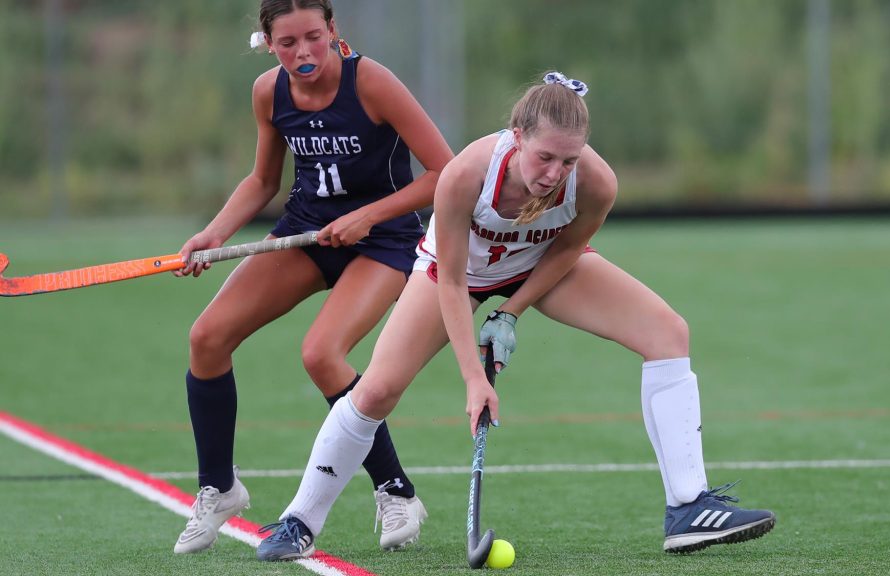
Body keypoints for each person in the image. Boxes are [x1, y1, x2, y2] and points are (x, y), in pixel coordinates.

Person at [255, 71, 775, 561]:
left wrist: (511, 311)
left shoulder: (597, 183)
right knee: (376, 391)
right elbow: (452, 282)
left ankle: (688, 506)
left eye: (568, 161)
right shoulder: (465, 175)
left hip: (538, 264)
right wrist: (473, 380)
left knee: (668, 332)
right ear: (517, 136)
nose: (554, 174)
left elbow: (568, 248)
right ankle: (300, 521)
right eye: (545, 157)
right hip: (455, 272)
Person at [171, 0, 453, 554]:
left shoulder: (371, 82)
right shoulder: (268, 92)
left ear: (332, 30)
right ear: (268, 43)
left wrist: (367, 216)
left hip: (383, 242)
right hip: (306, 235)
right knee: (207, 337)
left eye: (313, 37)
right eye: (287, 43)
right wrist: (214, 233)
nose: (303, 52)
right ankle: (219, 487)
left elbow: (446, 171)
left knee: (322, 354)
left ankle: (395, 490)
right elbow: (262, 180)